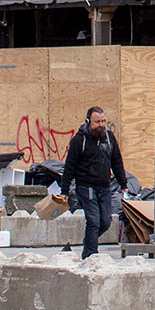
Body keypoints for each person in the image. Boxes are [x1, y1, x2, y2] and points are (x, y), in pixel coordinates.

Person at [61, 105, 126, 259]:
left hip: (104, 187)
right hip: (86, 187)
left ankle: (88, 243)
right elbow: (70, 166)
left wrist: (123, 184)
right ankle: (90, 254)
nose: (101, 125)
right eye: (97, 122)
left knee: (106, 221)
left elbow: (116, 161)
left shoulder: (109, 138)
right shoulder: (79, 140)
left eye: (103, 121)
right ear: (88, 121)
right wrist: (64, 191)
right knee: (93, 221)